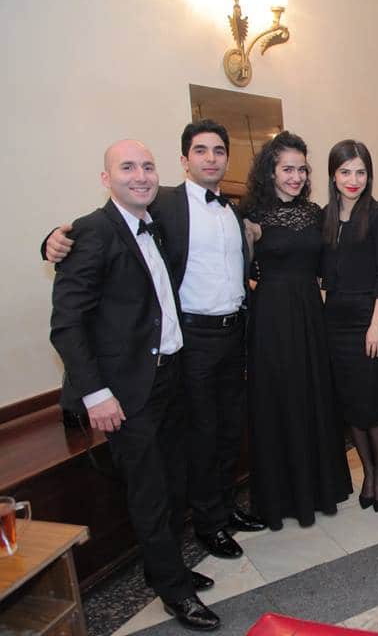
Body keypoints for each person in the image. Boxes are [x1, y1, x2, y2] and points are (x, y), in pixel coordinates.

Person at [43, 120, 266, 561]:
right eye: (200, 151)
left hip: (233, 334)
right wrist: (51, 241)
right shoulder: (162, 202)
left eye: (219, 151)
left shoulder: (235, 211)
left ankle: (225, 508)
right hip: (191, 338)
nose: (211, 159)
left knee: (228, 430)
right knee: (202, 435)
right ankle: (208, 524)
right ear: (184, 160)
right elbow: (102, 229)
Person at [50, 140, 220, 630]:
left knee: (174, 480)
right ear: (106, 179)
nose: (141, 175)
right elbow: (67, 323)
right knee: (150, 491)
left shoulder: (153, 223)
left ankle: (165, 568)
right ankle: (175, 590)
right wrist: (95, 393)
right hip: (126, 392)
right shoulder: (92, 231)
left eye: (147, 166)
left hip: (169, 376)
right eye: (127, 167)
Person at [243, 131, 352, 529]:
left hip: (310, 314)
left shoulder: (315, 214)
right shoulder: (250, 215)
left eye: (302, 169)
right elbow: (237, 269)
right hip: (271, 318)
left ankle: (318, 490)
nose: (296, 176)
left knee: (313, 396)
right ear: (270, 171)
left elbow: (332, 266)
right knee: (277, 400)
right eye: (287, 169)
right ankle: (281, 497)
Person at [320, 140, 378, 512]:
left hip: (370, 320)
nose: (354, 179)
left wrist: (377, 324)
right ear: (333, 175)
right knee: (351, 406)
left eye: (361, 172)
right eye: (346, 171)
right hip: (335, 324)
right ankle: (367, 472)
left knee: (371, 405)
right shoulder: (325, 216)